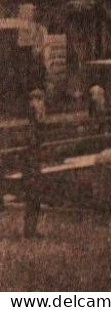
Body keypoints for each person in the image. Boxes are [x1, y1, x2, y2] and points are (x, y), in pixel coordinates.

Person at [21, 88, 46, 238]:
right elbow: (31, 146)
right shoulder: (33, 125)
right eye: (40, 101)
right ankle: (30, 231)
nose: (43, 105)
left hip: (33, 162)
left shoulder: (36, 124)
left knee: (34, 198)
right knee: (33, 197)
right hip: (31, 164)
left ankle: (31, 230)